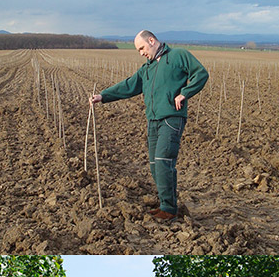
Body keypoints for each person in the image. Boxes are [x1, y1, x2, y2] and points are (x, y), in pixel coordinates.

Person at [89, 30, 208, 222]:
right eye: (138, 50)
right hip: (153, 121)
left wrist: (185, 93)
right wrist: (103, 96)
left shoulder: (178, 55)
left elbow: (200, 73)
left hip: (171, 118)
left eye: (142, 48)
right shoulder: (147, 69)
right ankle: (166, 204)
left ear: (151, 41)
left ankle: (169, 209)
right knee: (155, 165)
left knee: (163, 161)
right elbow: (129, 85)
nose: (141, 53)